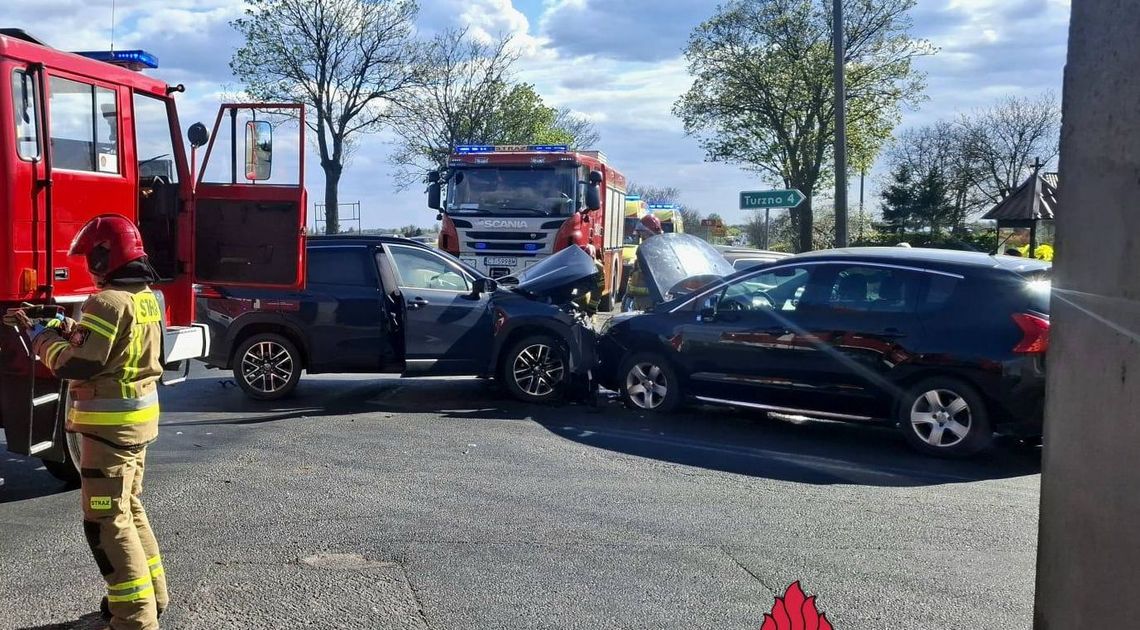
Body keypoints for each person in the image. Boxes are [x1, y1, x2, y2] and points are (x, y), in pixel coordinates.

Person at [7, 215, 168, 629]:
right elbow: (103, 343)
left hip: (108, 428)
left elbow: (78, 361)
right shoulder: (147, 297)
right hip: (137, 423)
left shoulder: (108, 301)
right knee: (128, 508)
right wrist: (58, 322)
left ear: (103, 256)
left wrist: (41, 338)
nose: (88, 269)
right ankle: (154, 596)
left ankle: (133, 618)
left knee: (105, 520)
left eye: (90, 259)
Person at [624, 215, 664, 311]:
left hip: (650, 299)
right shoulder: (644, 249)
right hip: (637, 298)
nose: (641, 236)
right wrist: (628, 294)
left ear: (651, 232)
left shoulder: (660, 250)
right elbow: (634, 272)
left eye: (643, 233)